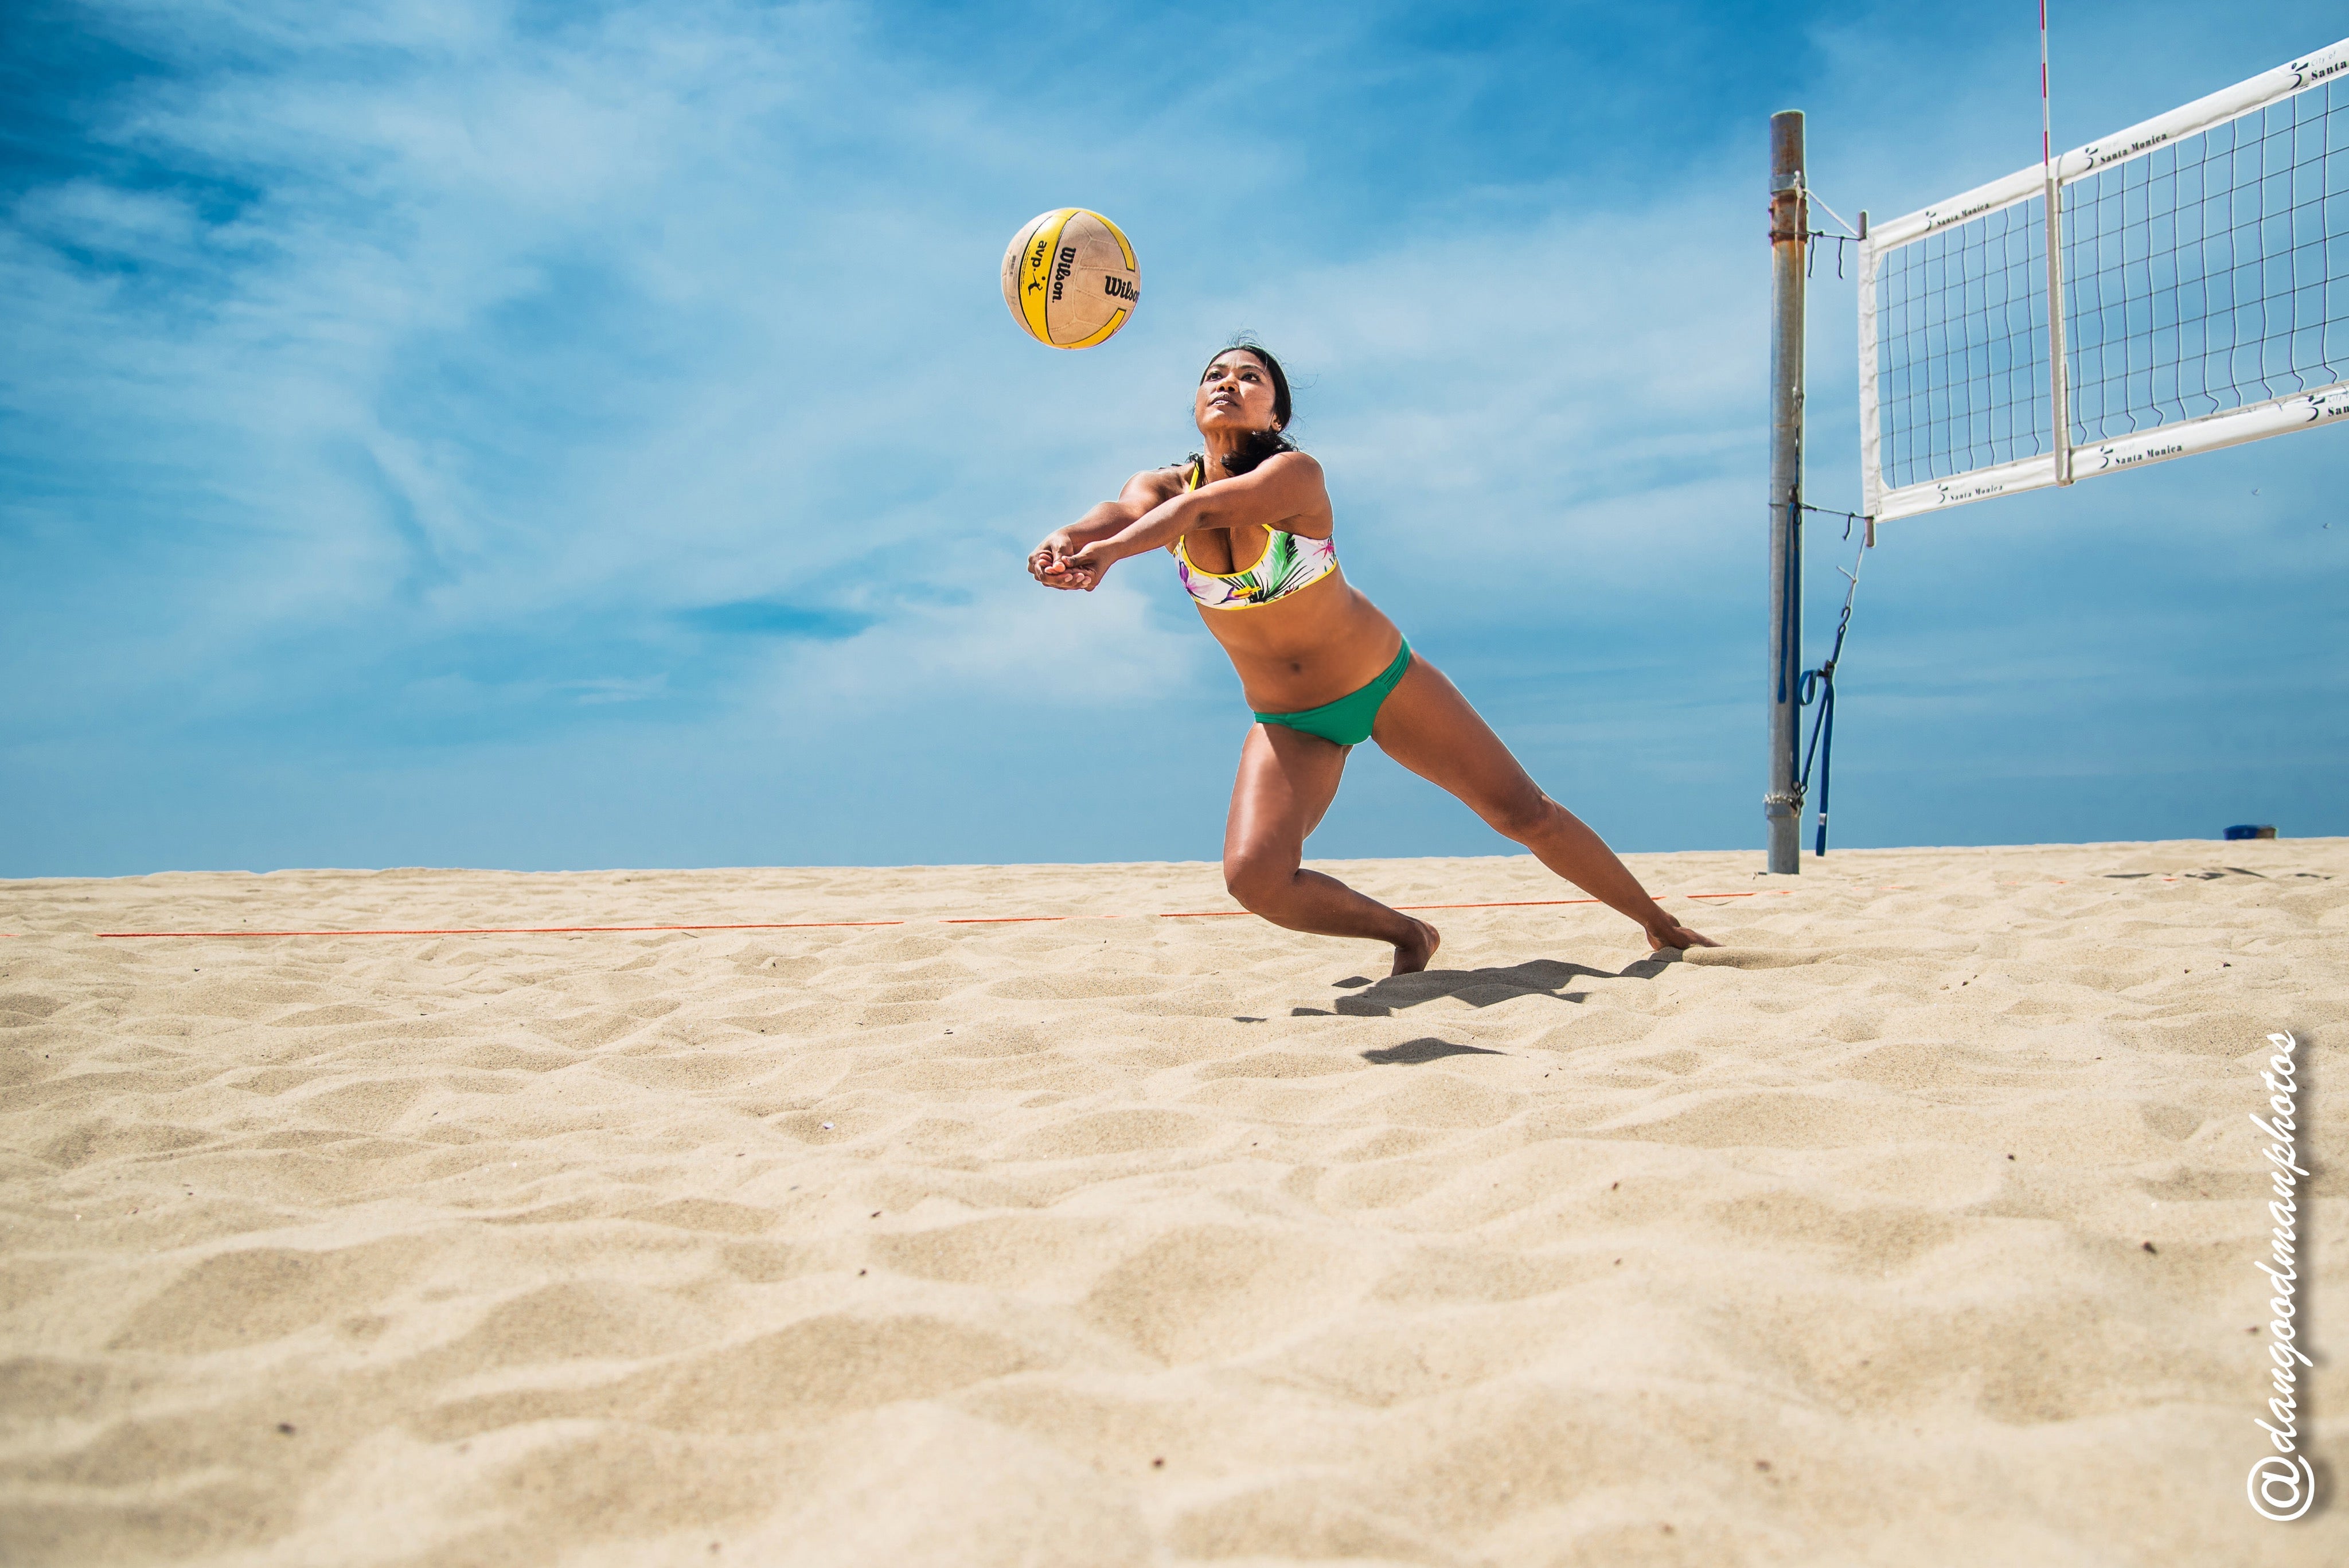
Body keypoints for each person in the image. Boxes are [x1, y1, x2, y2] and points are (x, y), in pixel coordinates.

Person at [1027, 342, 1716, 974]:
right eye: (1215, 374)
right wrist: (1063, 541)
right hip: (1290, 720)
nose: (1229, 383)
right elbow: (1115, 513)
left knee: (1523, 813)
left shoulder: (1293, 475)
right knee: (1255, 879)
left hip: (1383, 682)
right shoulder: (1159, 488)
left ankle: (1659, 924)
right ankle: (1408, 934)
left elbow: (1201, 515)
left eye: (1250, 377)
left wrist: (1109, 556)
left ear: (1276, 411)